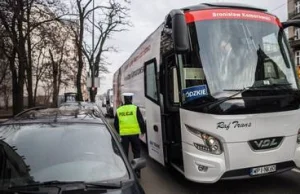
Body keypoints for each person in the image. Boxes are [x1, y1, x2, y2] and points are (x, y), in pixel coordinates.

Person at [114, 93, 146, 178]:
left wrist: (120, 132)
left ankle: (126, 171)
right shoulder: (135, 108)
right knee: (136, 152)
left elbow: (116, 124)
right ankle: (137, 171)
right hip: (134, 134)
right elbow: (141, 121)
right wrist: (143, 131)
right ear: (131, 99)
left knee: (124, 153)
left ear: (124, 99)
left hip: (124, 135)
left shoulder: (119, 110)